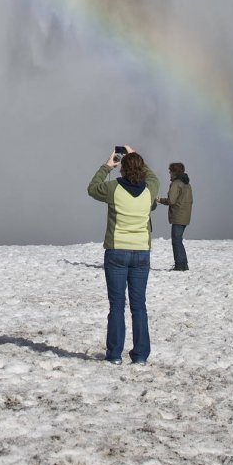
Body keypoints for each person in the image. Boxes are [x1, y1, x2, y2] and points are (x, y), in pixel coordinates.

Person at [87, 147, 160, 364]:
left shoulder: (113, 188)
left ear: (122, 168)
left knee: (117, 305)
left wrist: (108, 165)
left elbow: (92, 188)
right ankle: (140, 356)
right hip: (141, 253)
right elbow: (154, 177)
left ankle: (115, 355)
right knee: (139, 305)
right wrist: (136, 156)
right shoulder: (150, 189)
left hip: (116, 251)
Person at [156, 162, 193, 271]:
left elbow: (171, 200)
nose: (169, 172)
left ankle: (180, 265)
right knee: (178, 240)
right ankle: (183, 264)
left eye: (170, 170)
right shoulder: (187, 184)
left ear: (174, 172)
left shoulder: (176, 183)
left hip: (178, 215)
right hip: (186, 215)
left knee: (176, 241)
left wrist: (160, 200)